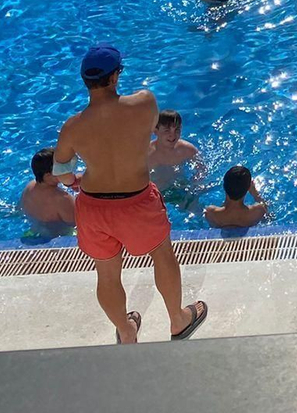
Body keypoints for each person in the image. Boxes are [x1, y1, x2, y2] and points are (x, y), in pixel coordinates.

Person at [54, 45, 207, 344]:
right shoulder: (144, 103)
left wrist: (75, 180)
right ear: (114, 77)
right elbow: (141, 132)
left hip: (94, 206)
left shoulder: (72, 127)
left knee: (107, 273)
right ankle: (177, 320)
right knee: (162, 254)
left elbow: (61, 173)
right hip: (136, 200)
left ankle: (126, 331)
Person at [21, 147, 76, 234]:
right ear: (48, 176)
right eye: (62, 168)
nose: (67, 170)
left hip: (34, 232)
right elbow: (77, 224)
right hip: (60, 236)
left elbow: (20, 210)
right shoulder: (63, 198)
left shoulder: (29, 187)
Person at [149, 109, 199, 196]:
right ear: (156, 131)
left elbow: (202, 169)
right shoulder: (147, 154)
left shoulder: (187, 150)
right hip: (156, 193)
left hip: (180, 188)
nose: (172, 135)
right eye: (167, 131)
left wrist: (194, 184)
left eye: (177, 130)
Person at [203, 166, 270, 230]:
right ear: (248, 188)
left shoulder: (210, 213)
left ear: (224, 186)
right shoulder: (257, 211)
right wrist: (255, 193)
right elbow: (266, 211)